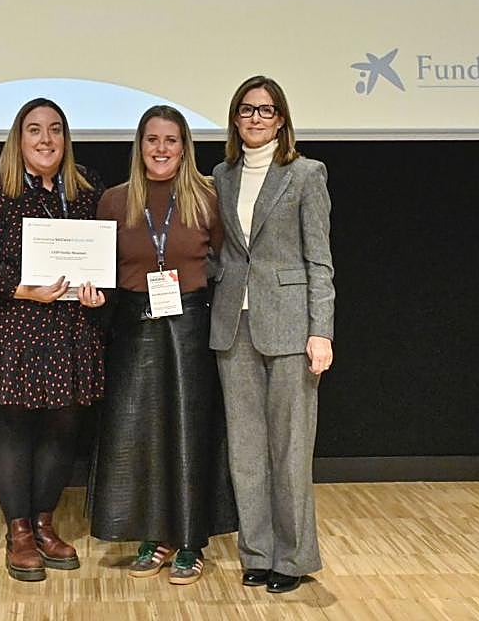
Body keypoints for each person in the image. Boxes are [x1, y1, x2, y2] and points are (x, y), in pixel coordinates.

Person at [88, 105, 238, 585]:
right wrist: (92, 293)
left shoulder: (207, 198)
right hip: (133, 327)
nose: (160, 149)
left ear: (184, 146)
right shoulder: (114, 200)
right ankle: (152, 536)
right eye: (152, 139)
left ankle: (190, 541)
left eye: (170, 140)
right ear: (139, 145)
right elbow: (104, 269)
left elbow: (221, 259)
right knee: (142, 435)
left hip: (190, 325)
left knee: (189, 432)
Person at [0, 97, 106, 582]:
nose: (46, 140)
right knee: (16, 430)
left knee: (63, 428)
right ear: (17, 140)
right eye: (35, 130)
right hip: (13, 330)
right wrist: (24, 289)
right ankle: (18, 531)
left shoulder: (85, 192)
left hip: (69, 332)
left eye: (55, 130)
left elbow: (102, 260)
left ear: (66, 138)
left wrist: (95, 294)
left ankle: (45, 523)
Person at [210, 75, 334, 595]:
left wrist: (320, 331)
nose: (256, 119)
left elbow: (319, 260)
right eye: (246, 110)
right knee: (245, 450)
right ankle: (257, 553)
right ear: (235, 119)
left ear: (281, 119)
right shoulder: (221, 175)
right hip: (232, 325)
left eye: (266, 110)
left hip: (289, 327)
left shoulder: (306, 174)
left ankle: (294, 557)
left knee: (289, 449)